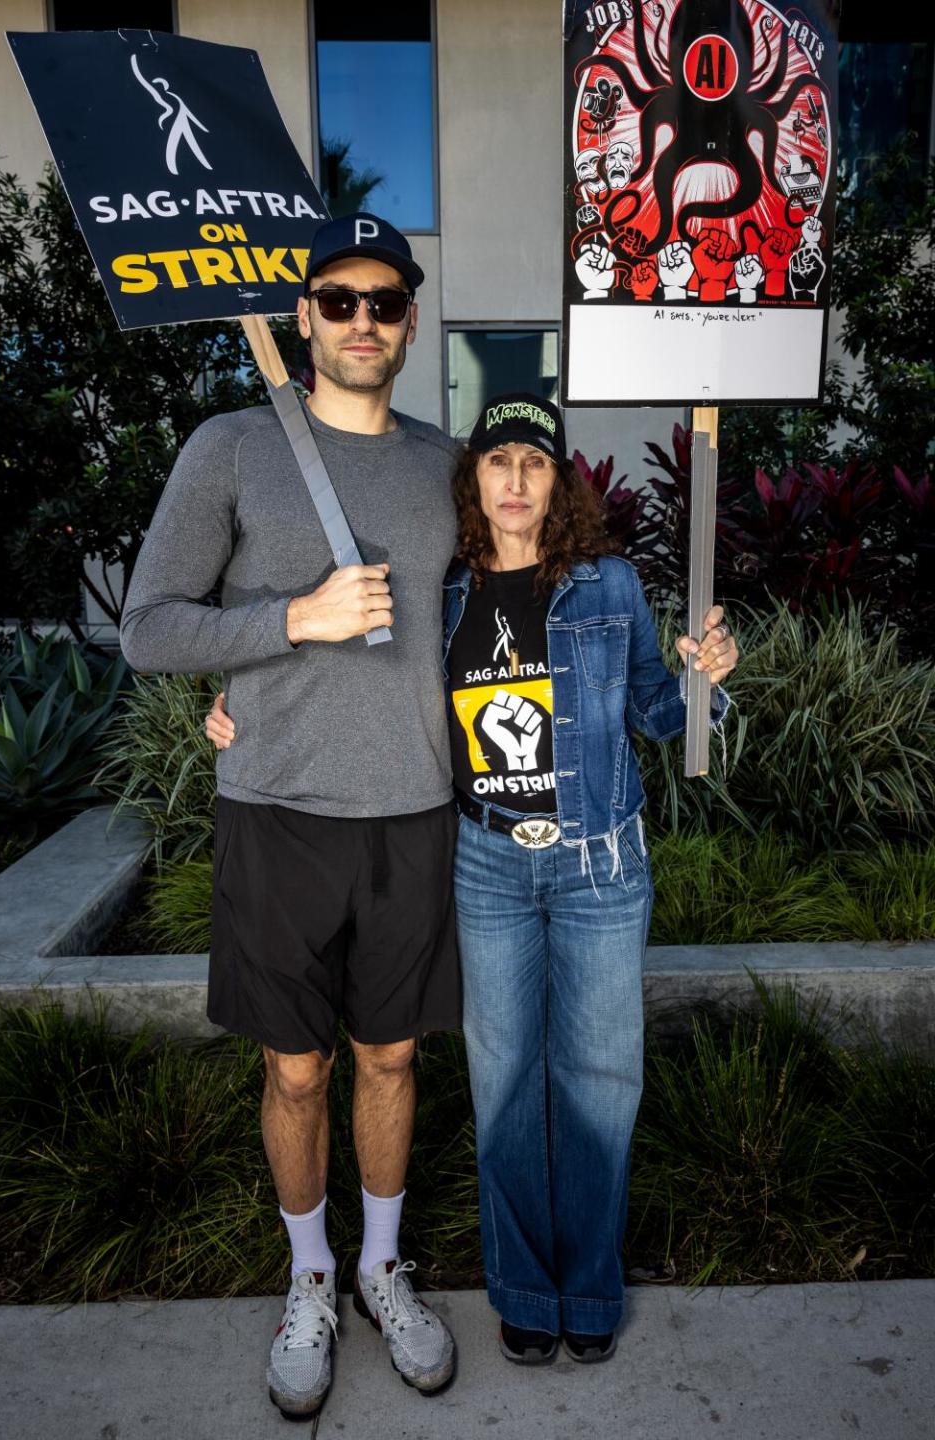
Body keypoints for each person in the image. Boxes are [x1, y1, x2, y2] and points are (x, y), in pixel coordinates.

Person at [207, 390, 738, 1369]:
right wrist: (240, 705)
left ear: (557, 482)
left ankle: (588, 1286)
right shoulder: (438, 592)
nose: (516, 481)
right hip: (486, 863)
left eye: (535, 464)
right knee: (505, 1084)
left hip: (598, 866)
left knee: (600, 1082)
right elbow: (345, 678)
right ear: (475, 479)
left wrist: (707, 673)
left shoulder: (610, 586)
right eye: (499, 462)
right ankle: (528, 1292)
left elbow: (664, 721)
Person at [120, 212, 459, 1420]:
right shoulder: (231, 448)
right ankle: (309, 1276)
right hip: (281, 812)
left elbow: (512, 605)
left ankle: (380, 1266)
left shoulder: (442, 461)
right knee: (300, 1071)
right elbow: (150, 626)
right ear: (304, 316)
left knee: (392, 1054)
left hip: (415, 810)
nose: (362, 318)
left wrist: (683, 648)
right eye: (337, 299)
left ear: (410, 319)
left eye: (385, 298)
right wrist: (288, 625)